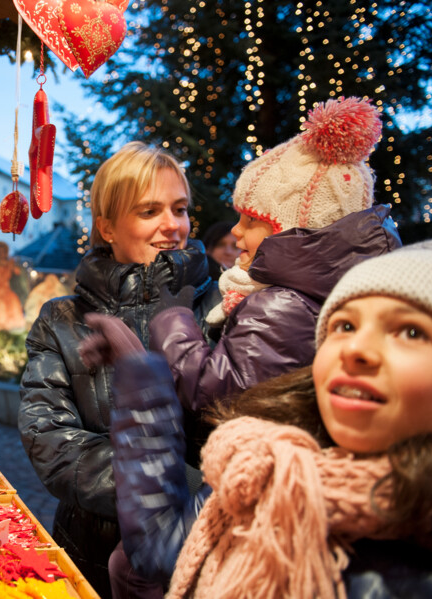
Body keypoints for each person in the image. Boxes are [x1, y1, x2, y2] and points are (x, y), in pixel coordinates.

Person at [103, 240, 432, 597]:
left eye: (411, 332)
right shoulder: (270, 465)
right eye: (344, 326)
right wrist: (142, 380)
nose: (356, 349)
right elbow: (162, 547)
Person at [18, 142, 220, 598]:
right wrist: (167, 493)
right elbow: (49, 438)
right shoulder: (62, 319)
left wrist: (197, 503)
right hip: (90, 550)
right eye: (149, 211)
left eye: (180, 208)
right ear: (107, 226)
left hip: (203, 556)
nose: (173, 225)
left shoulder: (223, 305)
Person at [145, 97, 401, 418]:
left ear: (293, 230)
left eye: (251, 220)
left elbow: (213, 394)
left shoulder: (281, 306)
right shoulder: (312, 296)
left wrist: (171, 321)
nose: (236, 231)